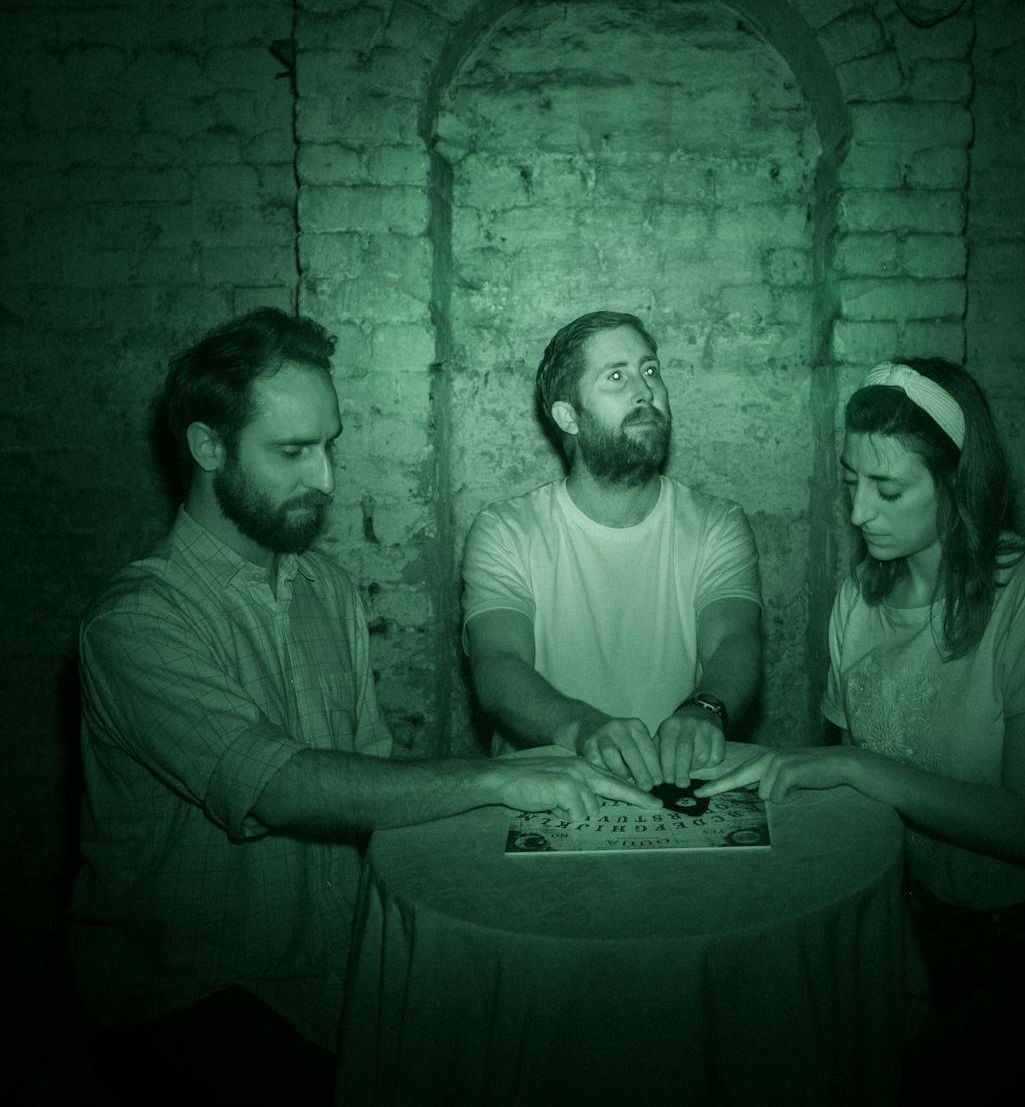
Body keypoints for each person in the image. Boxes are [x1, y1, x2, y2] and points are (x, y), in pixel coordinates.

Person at [68, 308, 657, 1105]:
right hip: (193, 1001)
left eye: (329, 445)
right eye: (292, 452)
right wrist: (498, 783)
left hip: (329, 984)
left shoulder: (328, 590)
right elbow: (279, 786)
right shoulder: (137, 623)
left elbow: (372, 786)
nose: (326, 480)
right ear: (208, 448)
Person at [698, 358, 1025, 1102]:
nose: (858, 513)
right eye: (851, 481)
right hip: (924, 927)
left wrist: (855, 769)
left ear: (957, 482)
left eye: (888, 489)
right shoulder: (859, 598)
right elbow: (861, 818)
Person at [462, 311, 763, 793]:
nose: (645, 390)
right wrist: (582, 727)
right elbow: (497, 665)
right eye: (616, 376)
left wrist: (705, 709)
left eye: (649, 370)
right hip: (547, 793)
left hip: (682, 785)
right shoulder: (506, 531)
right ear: (567, 415)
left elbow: (734, 640)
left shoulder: (715, 523)